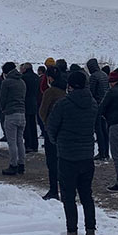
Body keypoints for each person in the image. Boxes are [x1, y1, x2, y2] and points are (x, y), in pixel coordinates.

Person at [47, 71, 98, 235]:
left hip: (68, 156)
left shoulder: (63, 104)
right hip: (87, 156)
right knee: (87, 195)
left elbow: (51, 127)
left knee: (69, 197)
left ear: (70, 85)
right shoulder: (92, 103)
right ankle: (91, 234)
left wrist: (57, 141)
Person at [38, 66, 66, 200]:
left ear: (50, 78)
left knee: (52, 161)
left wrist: (47, 125)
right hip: (64, 131)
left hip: (51, 130)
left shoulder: (49, 92)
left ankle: (53, 190)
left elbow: (42, 111)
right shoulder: (64, 91)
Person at [0, 62, 27, 175]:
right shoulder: (22, 82)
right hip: (22, 113)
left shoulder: (6, 82)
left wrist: (3, 109)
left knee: (12, 142)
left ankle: (13, 165)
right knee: (20, 141)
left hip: (11, 113)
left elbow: (2, 98)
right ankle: (21, 164)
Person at [87, 58, 110, 160]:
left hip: (97, 105)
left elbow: (91, 92)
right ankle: (106, 152)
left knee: (98, 129)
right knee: (104, 130)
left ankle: (101, 152)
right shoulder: (104, 75)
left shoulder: (94, 77)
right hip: (105, 105)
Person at [20, 63, 39, 152]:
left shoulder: (24, 78)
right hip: (34, 102)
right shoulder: (36, 77)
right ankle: (35, 145)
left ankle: (28, 144)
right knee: (33, 125)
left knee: (27, 126)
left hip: (26, 103)